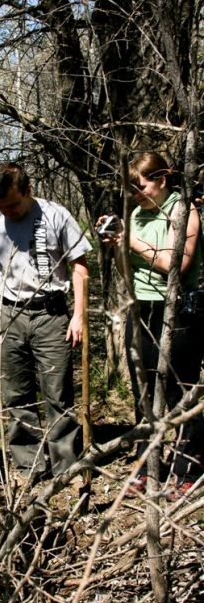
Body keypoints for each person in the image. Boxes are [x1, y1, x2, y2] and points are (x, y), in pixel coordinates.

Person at [0, 162, 92, 481]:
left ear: (28, 190)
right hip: (9, 315)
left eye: (13, 204)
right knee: (15, 394)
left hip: (51, 315)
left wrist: (78, 316)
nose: (7, 211)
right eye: (0, 206)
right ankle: (29, 466)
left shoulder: (57, 216)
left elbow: (80, 267)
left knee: (57, 394)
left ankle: (65, 467)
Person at [98, 151, 204, 500]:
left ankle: (189, 467)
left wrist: (129, 239)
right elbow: (126, 269)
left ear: (162, 179)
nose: (135, 193)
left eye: (140, 186)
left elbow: (176, 264)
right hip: (141, 308)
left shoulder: (183, 211)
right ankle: (148, 465)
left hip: (180, 310)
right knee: (144, 392)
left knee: (182, 392)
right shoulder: (135, 215)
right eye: (130, 189)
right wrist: (115, 243)